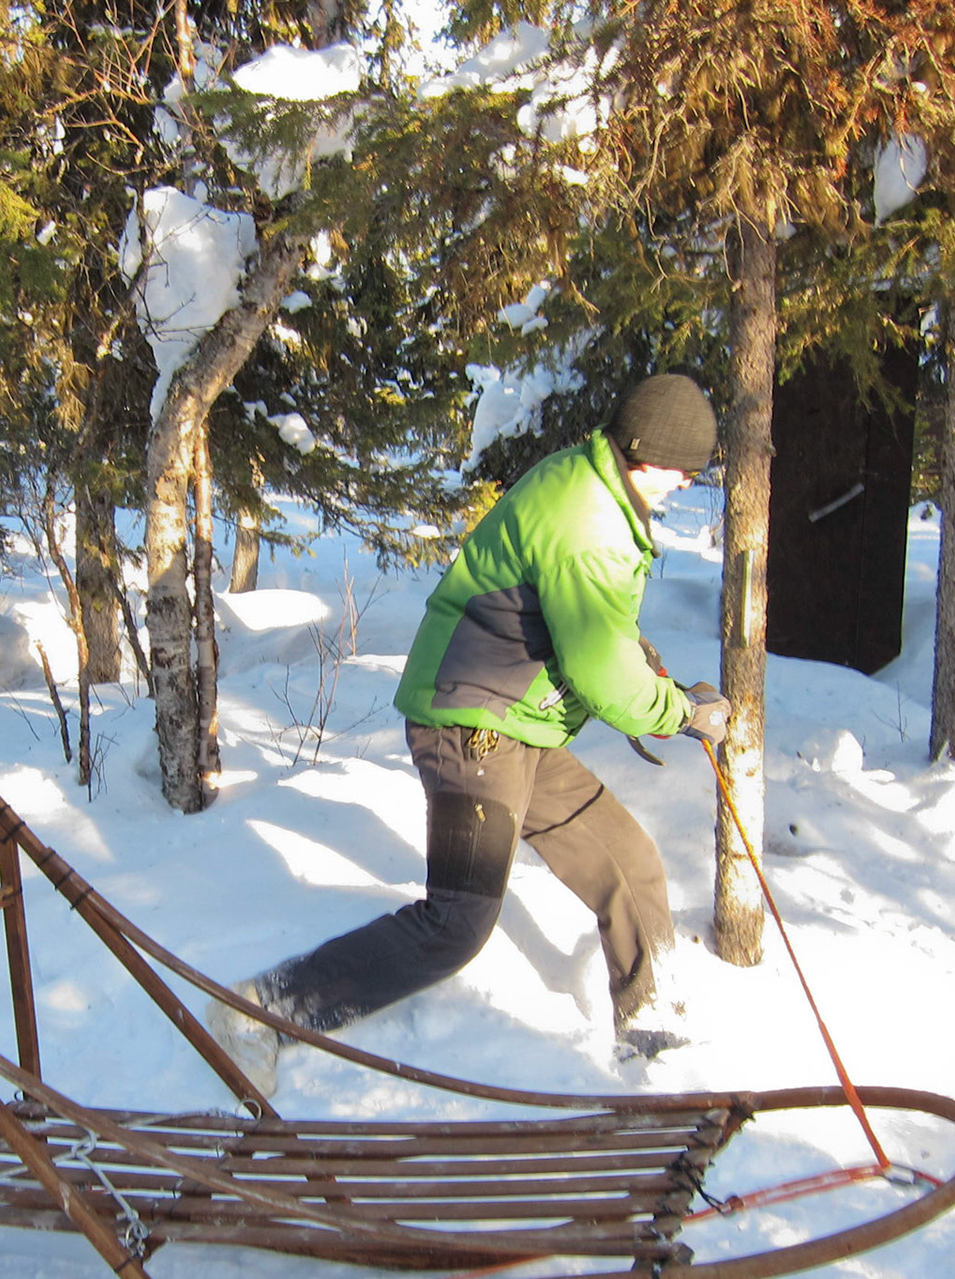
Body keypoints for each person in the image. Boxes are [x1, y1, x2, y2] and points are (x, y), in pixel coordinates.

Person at [208, 373, 730, 1093]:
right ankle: (261, 1012)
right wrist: (682, 712)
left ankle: (654, 1038)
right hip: (470, 724)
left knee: (629, 861)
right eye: (682, 467)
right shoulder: (591, 519)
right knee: (457, 922)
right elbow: (602, 671)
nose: (686, 482)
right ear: (646, 451)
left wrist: (632, 650)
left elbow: (582, 619)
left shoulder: (594, 487)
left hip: (517, 723)